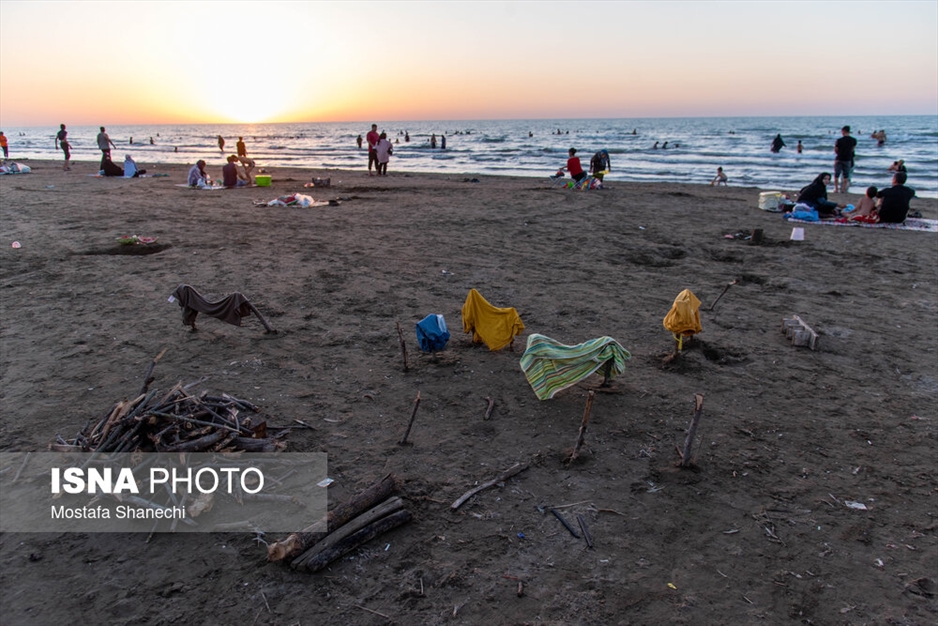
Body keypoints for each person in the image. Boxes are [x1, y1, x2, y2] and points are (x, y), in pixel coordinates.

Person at [834, 125, 857, 193]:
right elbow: (852, 149)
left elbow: (836, 149)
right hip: (847, 159)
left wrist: (839, 153)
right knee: (846, 175)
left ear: (843, 131)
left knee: (837, 174)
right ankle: (843, 189)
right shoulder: (853, 140)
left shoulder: (839, 140)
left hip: (839, 158)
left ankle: (836, 189)